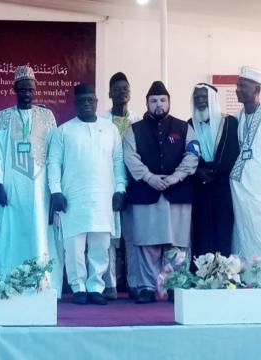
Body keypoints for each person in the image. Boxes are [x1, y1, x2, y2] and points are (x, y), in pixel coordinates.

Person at [0, 65, 63, 295]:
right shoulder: (1, 119)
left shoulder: (47, 117)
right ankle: (10, 280)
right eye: (22, 89)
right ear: (14, 89)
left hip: (40, 189)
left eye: (30, 89)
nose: (27, 93)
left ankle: (41, 281)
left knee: (40, 232)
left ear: (35, 89)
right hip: (11, 189)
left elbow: (54, 153)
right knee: (11, 232)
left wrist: (54, 188)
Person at [47, 84, 126, 305]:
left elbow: (118, 162)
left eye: (91, 100)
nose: (87, 104)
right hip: (73, 199)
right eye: (82, 101)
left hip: (103, 198)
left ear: (97, 101)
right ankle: (78, 286)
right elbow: (53, 163)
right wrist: (56, 191)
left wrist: (120, 188)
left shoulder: (110, 129)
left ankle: (95, 287)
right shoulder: (63, 131)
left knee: (100, 247)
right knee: (74, 248)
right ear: (75, 104)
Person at [124, 81, 199, 303]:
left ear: (169, 102)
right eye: (154, 100)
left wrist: (175, 177)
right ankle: (147, 287)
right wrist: (150, 178)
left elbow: (192, 155)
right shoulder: (133, 130)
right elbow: (130, 157)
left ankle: (175, 285)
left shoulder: (184, 128)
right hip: (146, 194)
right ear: (147, 103)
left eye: (163, 100)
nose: (159, 104)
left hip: (178, 194)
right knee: (148, 243)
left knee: (177, 242)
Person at [102, 72, 141, 300]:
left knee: (132, 238)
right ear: (109, 94)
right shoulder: (100, 122)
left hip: (135, 188)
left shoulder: (138, 121)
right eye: (116, 89)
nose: (121, 93)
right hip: (109, 187)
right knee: (109, 239)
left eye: (125, 89)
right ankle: (110, 285)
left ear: (130, 92)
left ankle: (135, 283)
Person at [189, 83, 239, 257]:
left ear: (212, 99)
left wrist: (214, 172)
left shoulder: (229, 123)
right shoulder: (189, 125)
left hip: (223, 189)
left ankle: (224, 275)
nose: (200, 101)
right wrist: (199, 171)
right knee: (201, 232)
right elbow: (187, 155)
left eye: (204, 97)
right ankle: (202, 278)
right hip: (200, 189)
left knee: (223, 230)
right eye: (197, 98)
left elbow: (233, 154)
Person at [230, 66, 261, 260]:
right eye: (237, 85)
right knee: (243, 231)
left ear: (257, 89)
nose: (237, 89)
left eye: (242, 86)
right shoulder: (236, 118)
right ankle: (245, 278)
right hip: (240, 190)